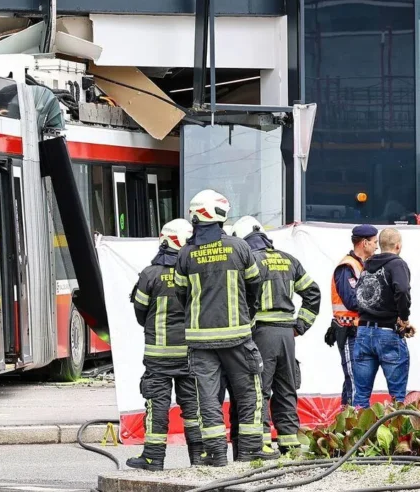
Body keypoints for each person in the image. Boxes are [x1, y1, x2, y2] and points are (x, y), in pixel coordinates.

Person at [174, 190, 277, 467]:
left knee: (208, 398)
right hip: (237, 338)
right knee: (249, 393)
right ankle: (251, 450)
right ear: (220, 215)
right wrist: (246, 314)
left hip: (200, 342)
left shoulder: (185, 254)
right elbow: (255, 286)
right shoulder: (239, 247)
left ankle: (216, 453)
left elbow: (181, 295)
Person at [233, 216, 321, 454]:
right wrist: (299, 326)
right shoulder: (289, 260)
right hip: (286, 336)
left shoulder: (249, 262)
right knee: (286, 387)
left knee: (259, 388)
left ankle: (262, 443)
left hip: (261, 334)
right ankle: (289, 443)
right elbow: (313, 293)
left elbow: (242, 301)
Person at [127, 219, 205, 471]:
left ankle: (153, 458)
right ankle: (199, 459)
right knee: (193, 407)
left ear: (165, 240)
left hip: (158, 354)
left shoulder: (150, 274)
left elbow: (140, 313)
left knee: (157, 405)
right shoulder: (195, 272)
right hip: (190, 353)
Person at [353, 228, 414, 408]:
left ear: (379, 245)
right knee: (397, 397)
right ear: (398, 246)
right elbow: (402, 290)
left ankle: (358, 425)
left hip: (363, 333)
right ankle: (395, 425)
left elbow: (358, 295)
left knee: (361, 395)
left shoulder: (367, 265)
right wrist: (404, 318)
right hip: (388, 333)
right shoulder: (397, 264)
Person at [324, 224, 378, 407]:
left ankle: (346, 419)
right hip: (349, 331)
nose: (376, 246)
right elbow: (352, 301)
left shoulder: (361, 266)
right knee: (356, 380)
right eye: (374, 242)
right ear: (364, 243)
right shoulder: (347, 267)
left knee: (353, 379)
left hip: (359, 330)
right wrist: (377, 301)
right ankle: (358, 421)